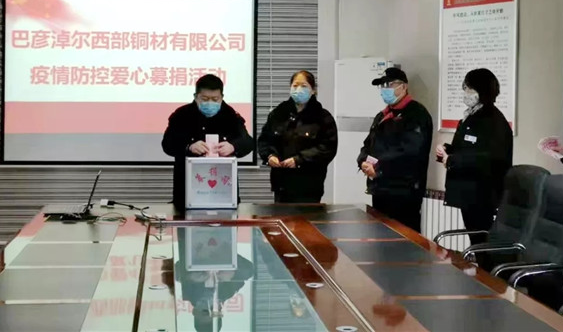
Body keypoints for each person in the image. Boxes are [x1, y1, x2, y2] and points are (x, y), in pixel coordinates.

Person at [436, 68, 513, 244]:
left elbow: (492, 158)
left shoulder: (493, 121)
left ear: (482, 91)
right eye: (465, 88)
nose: (466, 92)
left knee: (481, 242)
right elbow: (465, 147)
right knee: (476, 240)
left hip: (482, 194)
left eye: (470, 88)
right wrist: (446, 151)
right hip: (468, 192)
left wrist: (453, 160)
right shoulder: (471, 116)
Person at [161, 74, 254, 213]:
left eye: (215, 99)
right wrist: (189, 147)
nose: (210, 103)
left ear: (222, 97)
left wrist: (233, 146)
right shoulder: (182, 115)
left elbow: (248, 142)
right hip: (187, 187)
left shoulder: (230, 115)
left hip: (224, 188)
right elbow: (167, 144)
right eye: (205, 99)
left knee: (225, 223)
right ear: (196, 96)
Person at [357, 67, 433, 233]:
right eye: (382, 86)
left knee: (404, 238)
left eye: (390, 85)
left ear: (403, 87)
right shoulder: (382, 115)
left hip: (403, 190)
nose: (385, 89)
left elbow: (410, 152)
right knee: (380, 235)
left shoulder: (416, 114)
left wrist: (379, 167)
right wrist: (363, 161)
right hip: (380, 188)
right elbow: (369, 144)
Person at [258, 70, 338, 203]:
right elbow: (264, 140)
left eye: (304, 86)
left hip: (309, 186)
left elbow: (328, 148)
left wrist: (299, 160)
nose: (298, 89)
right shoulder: (278, 114)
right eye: (295, 86)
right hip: (281, 184)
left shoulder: (322, 117)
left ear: (313, 90)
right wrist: (270, 156)